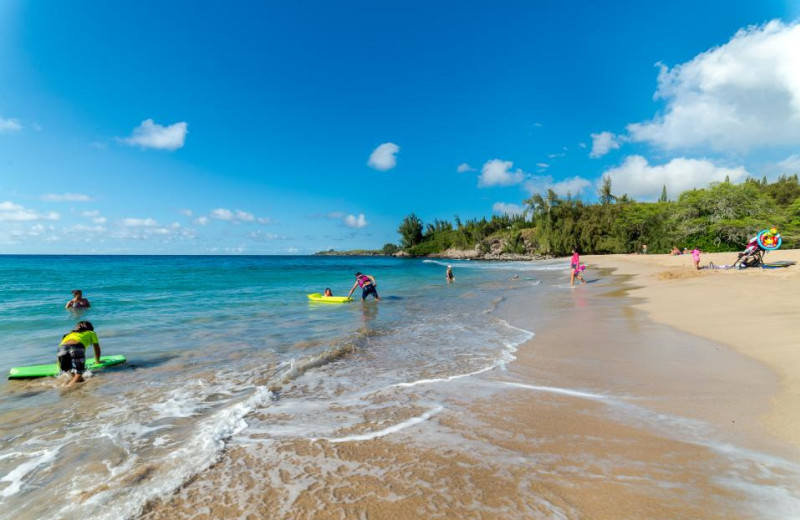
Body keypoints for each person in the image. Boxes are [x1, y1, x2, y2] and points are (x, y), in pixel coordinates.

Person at [57, 321, 101, 386]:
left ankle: (63, 385)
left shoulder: (69, 334)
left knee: (71, 374)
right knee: (79, 374)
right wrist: (97, 361)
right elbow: (97, 349)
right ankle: (67, 389)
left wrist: (59, 367)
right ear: (90, 328)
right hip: (76, 347)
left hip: (61, 349)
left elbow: (60, 352)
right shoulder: (91, 333)